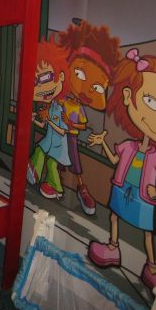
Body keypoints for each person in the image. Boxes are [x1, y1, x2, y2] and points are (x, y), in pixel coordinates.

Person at [87, 49, 156, 293]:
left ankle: (151, 268)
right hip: (122, 188)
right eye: (151, 102)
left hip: (143, 197)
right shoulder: (128, 146)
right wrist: (102, 142)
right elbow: (115, 159)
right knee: (114, 217)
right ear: (127, 96)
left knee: (147, 232)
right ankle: (113, 248)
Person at [58, 21, 120, 215]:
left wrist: (72, 124)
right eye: (79, 74)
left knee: (73, 159)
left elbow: (82, 125)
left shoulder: (77, 107)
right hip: (56, 132)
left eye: (98, 87)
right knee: (55, 156)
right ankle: (56, 179)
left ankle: (80, 187)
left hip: (70, 135)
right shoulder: (62, 98)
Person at [27, 39, 71, 199]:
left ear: (61, 76)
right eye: (34, 82)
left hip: (58, 145)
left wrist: (50, 121)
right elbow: (44, 125)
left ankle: (56, 188)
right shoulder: (50, 106)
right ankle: (34, 172)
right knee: (39, 150)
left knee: (52, 164)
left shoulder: (61, 108)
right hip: (48, 141)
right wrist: (34, 120)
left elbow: (62, 131)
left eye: (45, 77)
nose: (41, 88)